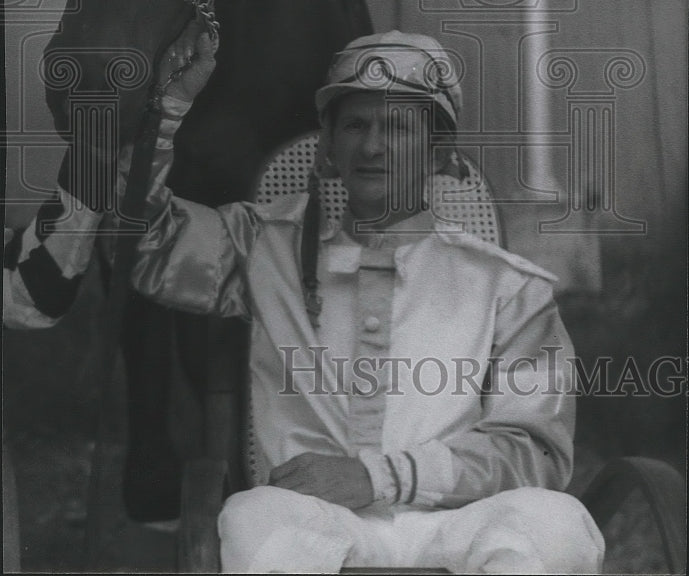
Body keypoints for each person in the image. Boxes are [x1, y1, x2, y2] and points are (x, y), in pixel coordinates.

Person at [4, 29, 604, 573]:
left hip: (457, 518)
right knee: (252, 520)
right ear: (327, 150)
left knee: (556, 524)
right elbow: (146, 240)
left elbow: (535, 450)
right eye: (354, 126)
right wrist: (165, 110)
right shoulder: (261, 243)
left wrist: (376, 476)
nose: (373, 146)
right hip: (318, 523)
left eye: (396, 127)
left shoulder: (510, 286)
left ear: (441, 152)